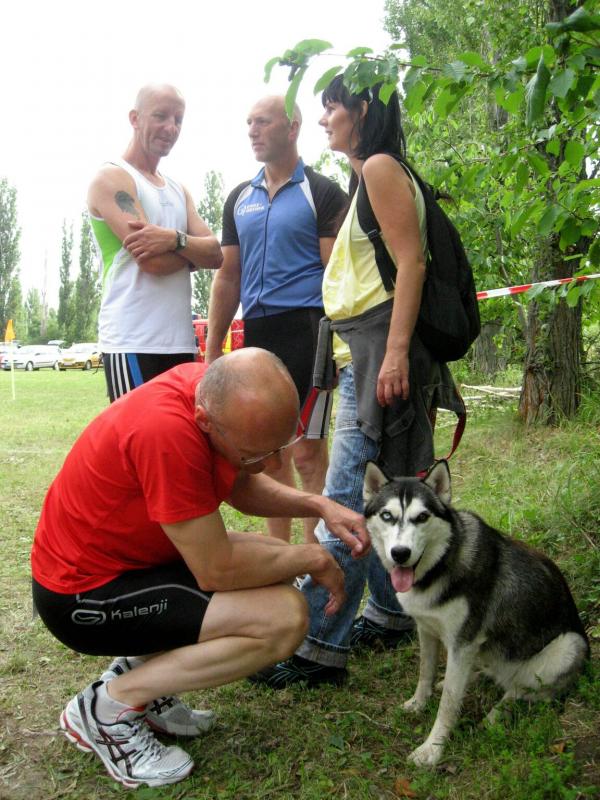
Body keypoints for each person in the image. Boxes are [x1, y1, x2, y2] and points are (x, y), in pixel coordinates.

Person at [31, 348, 370, 788]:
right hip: (81, 597)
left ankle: (142, 682)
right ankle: (109, 708)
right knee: (284, 619)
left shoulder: (208, 391)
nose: (273, 466)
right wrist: (314, 556)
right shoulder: (166, 432)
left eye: (280, 447)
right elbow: (217, 569)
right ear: (206, 420)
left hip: (130, 566)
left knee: (273, 564)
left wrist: (318, 505)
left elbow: (241, 485)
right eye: (256, 453)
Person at [250, 78, 463, 688]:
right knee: (388, 489)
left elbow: (412, 262)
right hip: (367, 352)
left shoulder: (379, 168)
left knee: (343, 501)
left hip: (378, 354)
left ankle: (315, 645)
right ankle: (391, 614)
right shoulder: (368, 174)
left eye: (332, 107)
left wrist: (393, 354)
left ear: (362, 110)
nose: (323, 119)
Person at [206, 96, 347, 543]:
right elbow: (228, 276)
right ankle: (280, 560)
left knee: (307, 454)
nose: (252, 130)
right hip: (258, 333)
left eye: (263, 122)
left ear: (292, 128)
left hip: (308, 330)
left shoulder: (322, 192)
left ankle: (315, 559)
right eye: (249, 122)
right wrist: (212, 350)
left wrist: (344, 346)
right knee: (269, 456)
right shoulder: (239, 198)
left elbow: (337, 275)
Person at [88, 83, 223, 402]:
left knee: (179, 431)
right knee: (137, 432)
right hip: (132, 341)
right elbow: (153, 262)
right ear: (134, 118)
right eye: (160, 116)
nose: (171, 127)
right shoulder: (112, 178)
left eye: (178, 119)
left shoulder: (178, 190)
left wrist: (172, 239)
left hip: (180, 342)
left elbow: (216, 254)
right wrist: (193, 253)